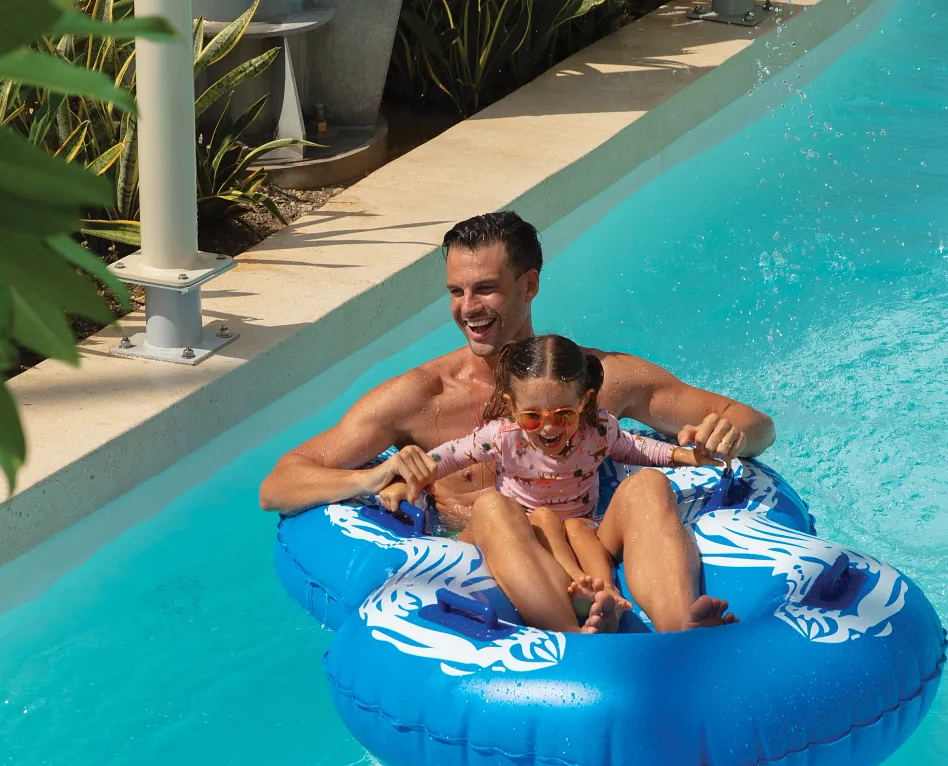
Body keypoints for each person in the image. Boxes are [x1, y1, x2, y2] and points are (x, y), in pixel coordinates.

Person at [257, 210, 774, 634]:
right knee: (493, 506)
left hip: (586, 545)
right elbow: (278, 485)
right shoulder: (422, 397)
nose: (468, 309)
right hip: (487, 571)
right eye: (456, 292)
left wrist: (729, 435)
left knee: (648, 488)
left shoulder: (596, 380)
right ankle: (580, 641)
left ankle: (682, 633)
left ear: (529, 285)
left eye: (485, 289)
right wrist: (369, 479)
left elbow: (751, 422)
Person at [376, 334, 727, 634]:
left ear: (584, 402)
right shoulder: (502, 437)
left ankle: (681, 626)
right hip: (526, 539)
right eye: (532, 417)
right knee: (492, 506)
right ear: (513, 409)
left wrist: (687, 456)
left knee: (647, 484)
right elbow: (448, 456)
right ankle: (573, 632)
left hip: (583, 534)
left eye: (563, 415)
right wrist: (407, 481)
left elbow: (636, 448)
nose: (548, 428)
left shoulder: (598, 430)